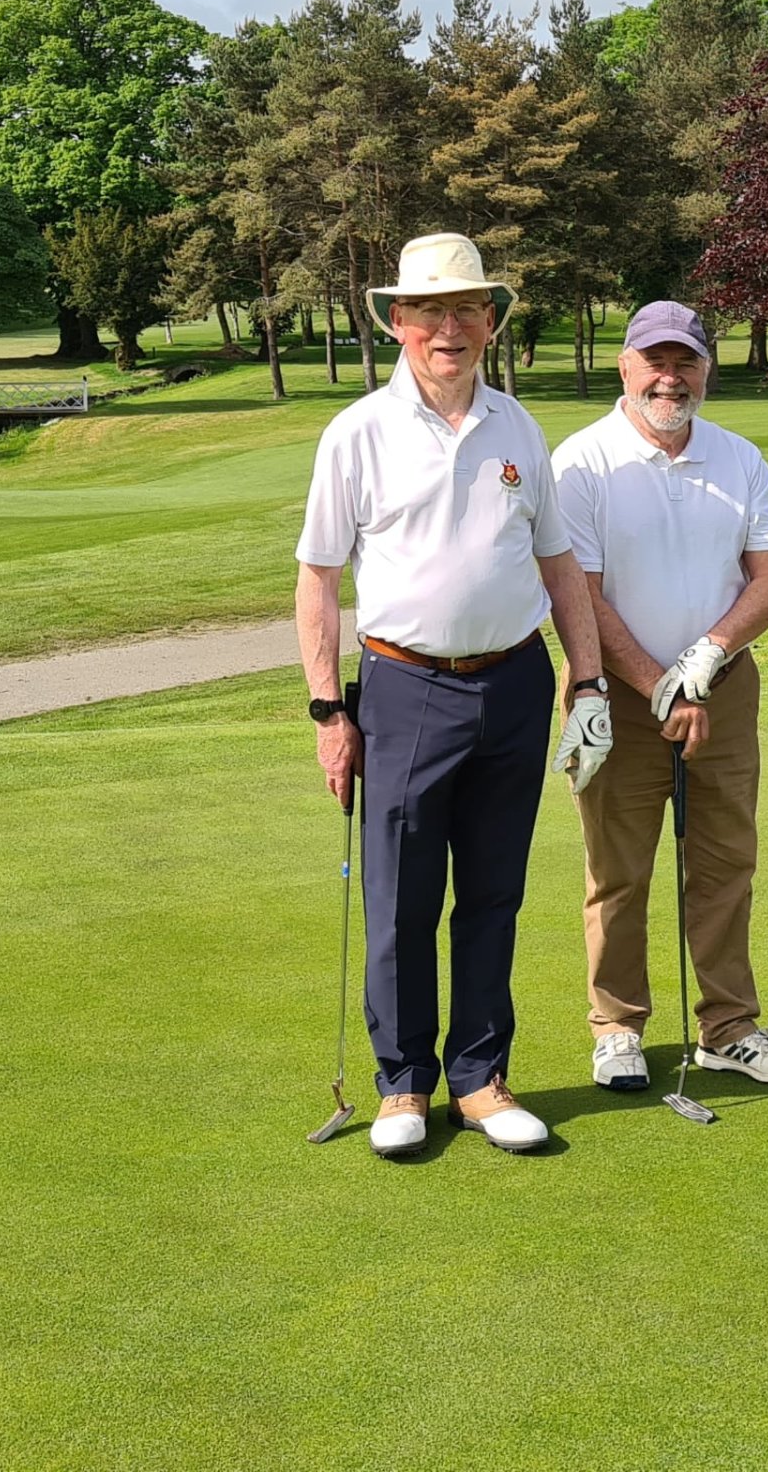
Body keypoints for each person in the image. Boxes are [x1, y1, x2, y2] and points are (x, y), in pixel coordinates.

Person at [294, 231, 612, 1158]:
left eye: (465, 309)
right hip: (402, 687)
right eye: (428, 311)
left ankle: (479, 1077)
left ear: (490, 320)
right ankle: (402, 1085)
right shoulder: (357, 433)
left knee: (493, 894)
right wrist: (328, 710)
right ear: (398, 322)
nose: (448, 327)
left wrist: (584, 678)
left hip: (513, 682)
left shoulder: (517, 426)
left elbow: (558, 563)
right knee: (399, 899)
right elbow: (318, 578)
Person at [551, 302, 768, 1093]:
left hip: (722, 693)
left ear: (705, 369)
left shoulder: (739, 459)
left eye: (686, 362)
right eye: (654, 362)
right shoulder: (581, 462)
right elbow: (580, 596)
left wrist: (708, 654)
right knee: (619, 871)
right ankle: (618, 1027)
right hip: (616, 699)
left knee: (725, 863)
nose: (671, 378)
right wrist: (661, 683)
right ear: (625, 367)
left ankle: (728, 1026)